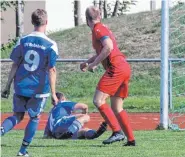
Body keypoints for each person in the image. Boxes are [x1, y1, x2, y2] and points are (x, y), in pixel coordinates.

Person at [0, 9, 59, 156]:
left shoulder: (23, 41)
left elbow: (15, 64)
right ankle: (22, 151)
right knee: (35, 117)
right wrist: (53, 94)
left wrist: (7, 86)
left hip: (20, 86)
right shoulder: (50, 44)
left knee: (17, 116)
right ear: (46, 22)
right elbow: (51, 70)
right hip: (38, 90)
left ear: (32, 22)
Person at [80, 6, 135, 146]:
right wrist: (88, 62)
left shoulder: (98, 29)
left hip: (116, 68)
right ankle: (131, 140)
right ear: (100, 16)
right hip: (123, 67)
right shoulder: (103, 28)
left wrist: (94, 65)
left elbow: (109, 47)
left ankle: (117, 132)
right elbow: (104, 50)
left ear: (86, 20)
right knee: (117, 108)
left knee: (98, 100)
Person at [43, 92, 108, 140]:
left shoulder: (52, 112)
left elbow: (47, 133)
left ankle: (95, 134)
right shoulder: (63, 103)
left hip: (57, 133)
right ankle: (70, 131)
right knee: (86, 117)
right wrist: (84, 116)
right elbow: (84, 106)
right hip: (61, 123)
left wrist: (47, 136)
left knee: (83, 131)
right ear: (63, 98)